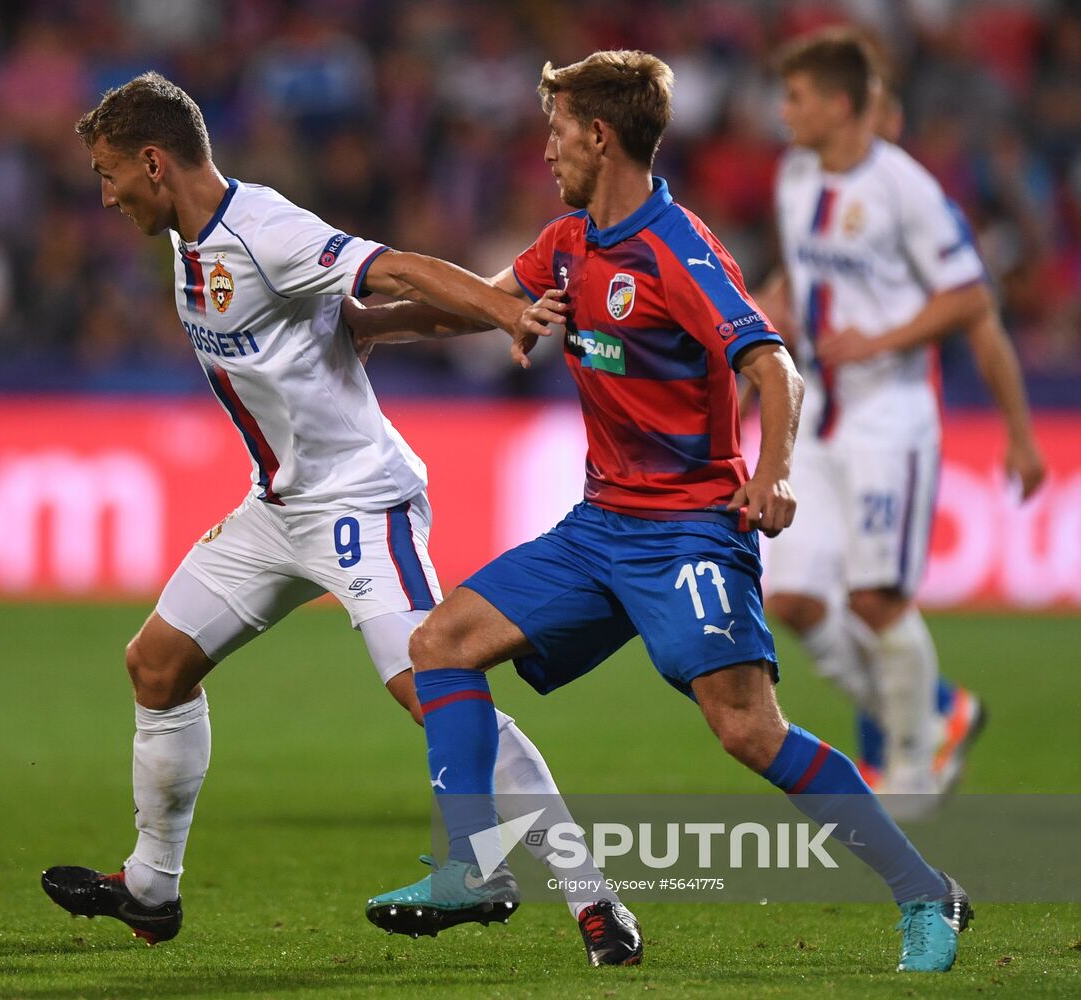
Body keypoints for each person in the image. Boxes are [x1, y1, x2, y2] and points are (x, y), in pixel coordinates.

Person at [356, 49, 971, 974]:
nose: (548, 146)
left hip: (688, 530)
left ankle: (926, 891)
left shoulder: (676, 251)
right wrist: (368, 328)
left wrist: (773, 473)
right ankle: (468, 868)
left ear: (599, 136)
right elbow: (489, 309)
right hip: (601, 525)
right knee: (442, 643)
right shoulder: (568, 241)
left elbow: (772, 364)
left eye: (559, 131)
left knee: (748, 730)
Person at [38, 72, 641, 968]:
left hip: (360, 502)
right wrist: (433, 323)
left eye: (110, 172)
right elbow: (354, 316)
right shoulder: (188, 235)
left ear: (155, 163)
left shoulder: (265, 229)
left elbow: (393, 263)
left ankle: (593, 899)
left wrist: (508, 310)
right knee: (157, 665)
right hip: (276, 507)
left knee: (437, 695)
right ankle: (152, 888)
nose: (106, 192)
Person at [759, 30, 1045, 805]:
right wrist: (766, 307)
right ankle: (937, 711)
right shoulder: (793, 176)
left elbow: (973, 300)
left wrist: (1018, 433)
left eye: (796, 98)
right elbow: (802, 266)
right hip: (811, 413)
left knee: (876, 600)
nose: (782, 112)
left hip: (889, 417)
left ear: (840, 105)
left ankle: (915, 773)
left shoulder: (906, 190)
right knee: (790, 601)